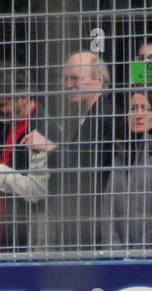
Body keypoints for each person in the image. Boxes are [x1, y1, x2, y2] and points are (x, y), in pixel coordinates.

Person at [0, 67, 56, 253]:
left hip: (19, 240)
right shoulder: (11, 125)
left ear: (22, 98)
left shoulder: (41, 129)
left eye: (2, 104)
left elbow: (37, 189)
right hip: (0, 236)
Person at [49, 51, 117, 251]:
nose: (68, 84)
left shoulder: (105, 116)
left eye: (76, 78)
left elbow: (86, 166)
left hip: (92, 227)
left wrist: (52, 149)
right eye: (66, 79)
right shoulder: (92, 116)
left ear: (99, 80)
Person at [102, 89, 152, 250]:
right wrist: (113, 249)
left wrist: (141, 250)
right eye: (133, 108)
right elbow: (109, 208)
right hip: (119, 257)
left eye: (146, 108)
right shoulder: (119, 153)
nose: (138, 114)